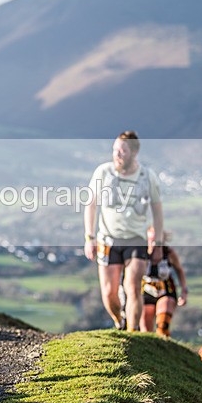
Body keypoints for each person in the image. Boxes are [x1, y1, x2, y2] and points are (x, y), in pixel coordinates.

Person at [83, 131, 163, 332]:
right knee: (109, 292)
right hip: (107, 239)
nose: (117, 154)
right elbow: (91, 205)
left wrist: (158, 242)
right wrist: (89, 237)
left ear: (134, 152)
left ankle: (132, 333)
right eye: (115, 150)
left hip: (136, 239)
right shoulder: (103, 173)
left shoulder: (147, 177)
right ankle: (120, 321)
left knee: (133, 286)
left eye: (123, 150)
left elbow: (157, 210)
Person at [140, 229, 188, 336]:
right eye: (151, 240)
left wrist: (184, 291)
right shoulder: (141, 253)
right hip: (146, 291)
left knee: (162, 325)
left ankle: (164, 345)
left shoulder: (169, 253)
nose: (154, 244)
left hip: (166, 290)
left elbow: (179, 270)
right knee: (145, 331)